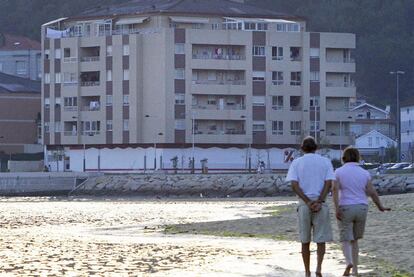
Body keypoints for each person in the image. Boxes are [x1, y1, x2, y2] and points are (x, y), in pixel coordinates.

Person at [333, 147, 390, 276]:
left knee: (345, 239)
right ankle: (355, 270)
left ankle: (348, 262)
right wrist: (380, 206)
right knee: (355, 241)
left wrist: (336, 208)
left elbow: (335, 190)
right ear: (358, 157)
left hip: (346, 207)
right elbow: (372, 192)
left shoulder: (338, 172)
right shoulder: (364, 173)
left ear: (344, 158)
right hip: (362, 207)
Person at [286, 136, 335, 277]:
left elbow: (294, 185)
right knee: (321, 239)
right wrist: (319, 201)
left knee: (305, 240)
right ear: (316, 148)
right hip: (321, 203)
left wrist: (307, 201)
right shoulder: (325, 162)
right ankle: (319, 268)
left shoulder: (296, 163)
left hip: (304, 204)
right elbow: (328, 183)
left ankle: (307, 271)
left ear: (302, 148)